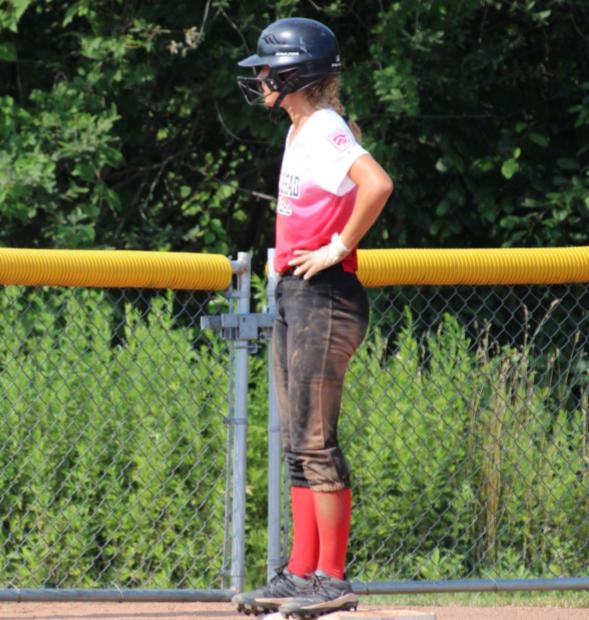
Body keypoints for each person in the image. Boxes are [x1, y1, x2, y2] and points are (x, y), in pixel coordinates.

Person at [231, 17, 393, 618]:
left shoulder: (324, 125)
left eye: (270, 69)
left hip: (325, 293)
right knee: (300, 440)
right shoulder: (301, 125)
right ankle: (302, 574)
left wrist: (338, 245)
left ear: (297, 72)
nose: (263, 78)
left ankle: (332, 577)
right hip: (297, 292)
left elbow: (376, 183)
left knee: (315, 440)